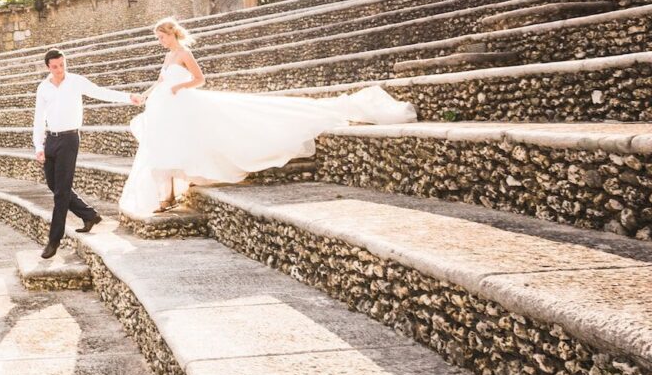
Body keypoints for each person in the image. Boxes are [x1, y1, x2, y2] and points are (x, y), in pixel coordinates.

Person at [119, 17, 417, 216]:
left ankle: (168, 196)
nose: (160, 41)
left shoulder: (183, 53)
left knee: (195, 139)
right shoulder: (168, 56)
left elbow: (201, 79)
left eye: (161, 36)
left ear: (172, 34)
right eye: (158, 38)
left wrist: (180, 87)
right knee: (166, 147)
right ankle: (167, 195)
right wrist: (143, 96)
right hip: (167, 108)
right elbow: (160, 82)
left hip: (183, 104)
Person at [33, 48, 142, 258]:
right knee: (53, 185)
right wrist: (38, 146)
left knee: (61, 193)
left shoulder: (76, 81)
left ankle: (53, 241)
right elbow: (38, 117)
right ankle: (89, 215)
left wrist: (129, 97)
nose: (59, 70)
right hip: (51, 140)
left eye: (62, 65)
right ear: (48, 67)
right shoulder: (43, 88)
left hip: (69, 139)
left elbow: (101, 92)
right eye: (55, 66)